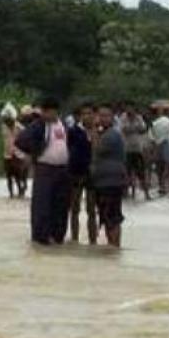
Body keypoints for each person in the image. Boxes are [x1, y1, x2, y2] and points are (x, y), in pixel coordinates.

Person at [14, 97, 74, 245]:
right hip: (45, 170)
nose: (50, 115)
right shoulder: (38, 126)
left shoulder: (64, 125)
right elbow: (20, 140)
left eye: (53, 112)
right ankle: (41, 237)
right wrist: (34, 151)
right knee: (42, 204)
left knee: (61, 205)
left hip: (63, 170)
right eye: (47, 112)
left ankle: (58, 235)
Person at [91, 105, 130, 248]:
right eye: (100, 115)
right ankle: (112, 246)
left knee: (111, 217)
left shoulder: (111, 135)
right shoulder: (110, 134)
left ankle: (114, 246)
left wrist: (94, 131)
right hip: (105, 181)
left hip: (111, 182)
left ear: (112, 118)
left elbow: (96, 148)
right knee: (108, 216)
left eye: (106, 116)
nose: (102, 119)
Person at [66, 103, 97, 245]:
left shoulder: (99, 131)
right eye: (84, 113)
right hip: (76, 174)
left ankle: (93, 240)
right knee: (74, 209)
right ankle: (74, 239)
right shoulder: (73, 131)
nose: (87, 116)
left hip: (93, 175)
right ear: (80, 116)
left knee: (92, 210)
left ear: (94, 115)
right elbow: (69, 152)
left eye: (89, 113)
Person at [120, 103, 149, 200]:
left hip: (137, 149)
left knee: (141, 173)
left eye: (131, 108)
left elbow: (143, 129)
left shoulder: (139, 118)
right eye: (128, 108)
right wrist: (135, 128)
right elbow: (124, 129)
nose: (130, 110)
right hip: (127, 149)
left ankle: (146, 194)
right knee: (126, 173)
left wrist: (133, 128)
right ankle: (126, 194)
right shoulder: (123, 118)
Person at [1, 106, 29, 199]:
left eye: (8, 120)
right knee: (9, 175)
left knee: (19, 174)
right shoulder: (3, 127)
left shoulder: (20, 128)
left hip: (19, 154)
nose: (7, 122)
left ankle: (21, 189)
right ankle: (11, 193)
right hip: (7, 154)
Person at [150, 108, 169, 196]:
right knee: (168, 165)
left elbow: (150, 134)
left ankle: (161, 185)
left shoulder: (155, 123)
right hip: (167, 144)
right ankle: (167, 185)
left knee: (159, 166)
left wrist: (155, 141)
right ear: (168, 113)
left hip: (157, 145)